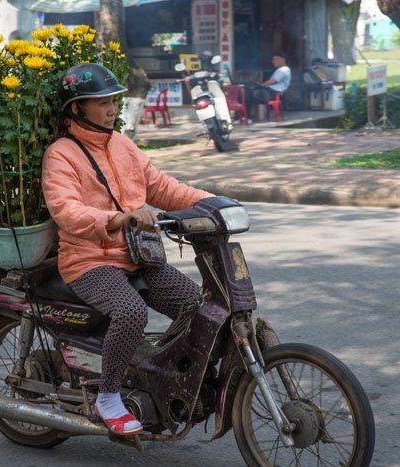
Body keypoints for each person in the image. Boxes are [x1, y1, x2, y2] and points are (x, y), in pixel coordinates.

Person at [42, 63, 213, 436]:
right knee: (130, 312)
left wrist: (213, 201)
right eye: (101, 103)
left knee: (198, 307)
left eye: (114, 101)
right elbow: (66, 211)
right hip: (89, 260)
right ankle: (108, 395)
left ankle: (153, 375)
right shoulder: (61, 154)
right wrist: (118, 219)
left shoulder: (122, 145)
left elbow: (163, 188)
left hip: (137, 256)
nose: (111, 109)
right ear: (76, 108)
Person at [244, 51, 291, 121]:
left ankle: (247, 117)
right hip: (270, 91)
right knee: (247, 91)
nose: (273, 61)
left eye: (275, 59)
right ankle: (247, 117)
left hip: (273, 93)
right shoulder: (280, 70)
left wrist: (261, 85)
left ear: (282, 59)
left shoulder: (283, 69)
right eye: (273, 60)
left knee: (247, 93)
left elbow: (272, 81)